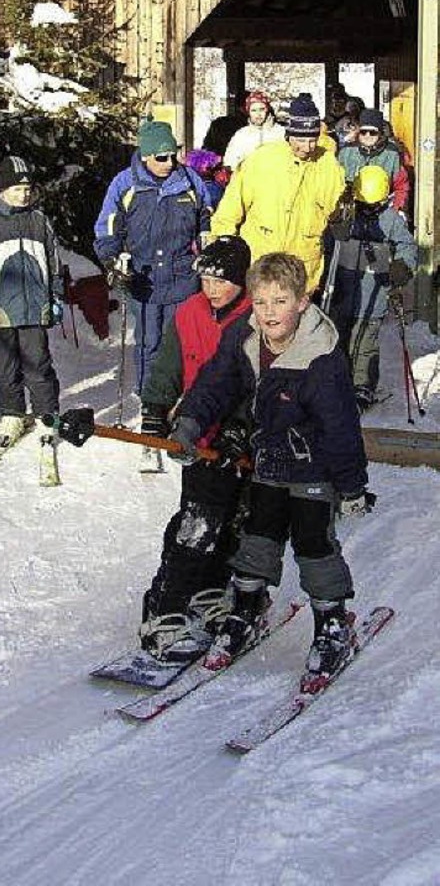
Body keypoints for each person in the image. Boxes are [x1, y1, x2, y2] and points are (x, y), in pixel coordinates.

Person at [170, 252, 372, 688]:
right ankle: (246, 608)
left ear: (301, 302)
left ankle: (332, 622)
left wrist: (352, 486)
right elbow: (216, 380)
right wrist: (189, 423)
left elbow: (341, 428)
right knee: (258, 537)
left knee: (313, 543)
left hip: (314, 467)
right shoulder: (246, 336)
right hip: (268, 460)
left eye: (280, 302)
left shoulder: (321, 357)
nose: (269, 314)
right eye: (261, 303)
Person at [138, 237, 253, 662]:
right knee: (197, 524)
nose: (211, 288)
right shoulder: (188, 313)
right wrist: (154, 409)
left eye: (221, 280)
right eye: (205, 278)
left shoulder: (257, 319)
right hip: (200, 438)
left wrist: (242, 429)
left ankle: (209, 591)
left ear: (241, 281)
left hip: (241, 441)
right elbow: (168, 365)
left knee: (234, 521)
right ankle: (164, 608)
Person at [93, 118, 213, 392]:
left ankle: (177, 397)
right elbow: (107, 227)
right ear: (146, 155)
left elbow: (206, 214)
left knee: (179, 341)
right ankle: (149, 398)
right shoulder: (125, 184)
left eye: (174, 154)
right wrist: (112, 260)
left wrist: (207, 241)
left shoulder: (189, 180)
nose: (170, 162)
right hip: (142, 277)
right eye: (162, 157)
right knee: (149, 341)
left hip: (182, 276)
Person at [0, 155, 63, 446]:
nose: (23, 194)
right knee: (4, 366)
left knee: (39, 364)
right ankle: (12, 415)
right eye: (16, 189)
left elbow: (54, 263)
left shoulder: (39, 221)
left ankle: (47, 416)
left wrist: (56, 296)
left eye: (28, 189)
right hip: (2, 309)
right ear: (2, 191)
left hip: (35, 308)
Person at [210, 93, 346, 294]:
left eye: (312, 140)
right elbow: (230, 208)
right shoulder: (261, 160)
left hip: (303, 267)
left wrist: (341, 212)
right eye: (300, 139)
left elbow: (334, 209)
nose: (307, 147)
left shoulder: (328, 164)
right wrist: (225, 245)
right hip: (261, 262)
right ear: (288, 134)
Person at [327, 164, 417, 412]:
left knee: (365, 341)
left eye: (374, 205)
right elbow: (330, 239)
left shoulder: (391, 221)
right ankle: (338, 381)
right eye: (364, 205)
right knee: (339, 338)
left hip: (373, 291)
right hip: (343, 289)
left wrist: (402, 265)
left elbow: (407, 247)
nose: (368, 210)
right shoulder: (348, 216)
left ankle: (362, 385)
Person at [339, 108, 410, 216]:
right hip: (352, 210)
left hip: (383, 209)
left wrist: (396, 209)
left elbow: (401, 186)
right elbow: (335, 182)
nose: (367, 136)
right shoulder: (346, 152)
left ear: (380, 133)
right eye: (363, 132)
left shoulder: (392, 154)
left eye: (372, 132)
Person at [222, 90, 284, 172]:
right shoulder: (241, 135)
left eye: (261, 109)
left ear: (267, 110)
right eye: (254, 110)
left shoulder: (280, 132)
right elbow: (230, 162)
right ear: (248, 112)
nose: (258, 114)